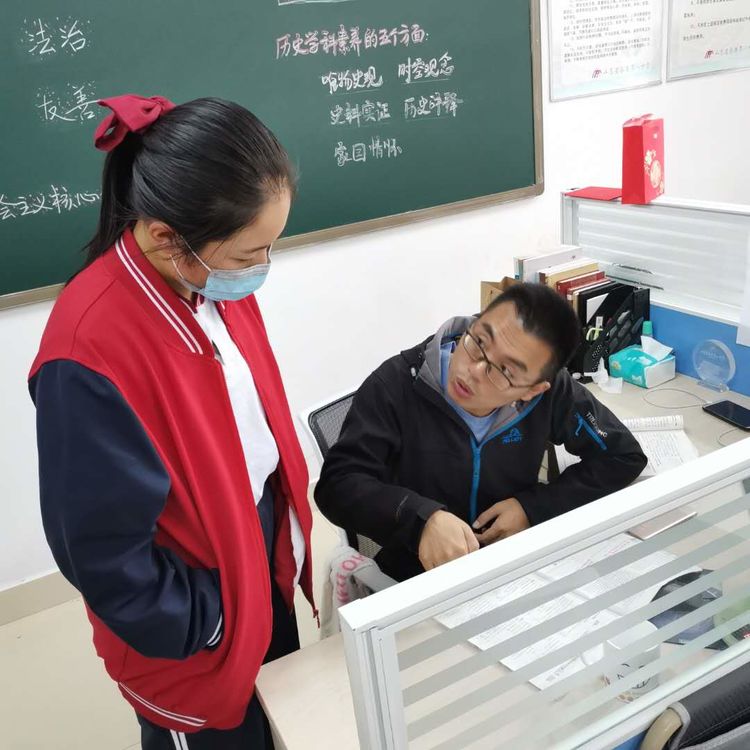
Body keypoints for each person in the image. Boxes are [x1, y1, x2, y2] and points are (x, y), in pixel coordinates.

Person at [29, 94, 315, 749]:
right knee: (222, 729)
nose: (262, 268)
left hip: (251, 552)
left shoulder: (206, 279)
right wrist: (209, 620)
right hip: (197, 609)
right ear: (165, 237)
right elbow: (103, 556)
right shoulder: (87, 351)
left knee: (274, 726)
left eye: (270, 247)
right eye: (250, 254)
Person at [315, 282, 647, 582]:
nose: (472, 371)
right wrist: (421, 520)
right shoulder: (397, 385)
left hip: (509, 568)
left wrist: (532, 508)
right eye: (478, 342)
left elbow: (622, 456)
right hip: (416, 577)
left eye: (504, 371)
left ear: (532, 389)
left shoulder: (551, 394)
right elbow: (337, 485)